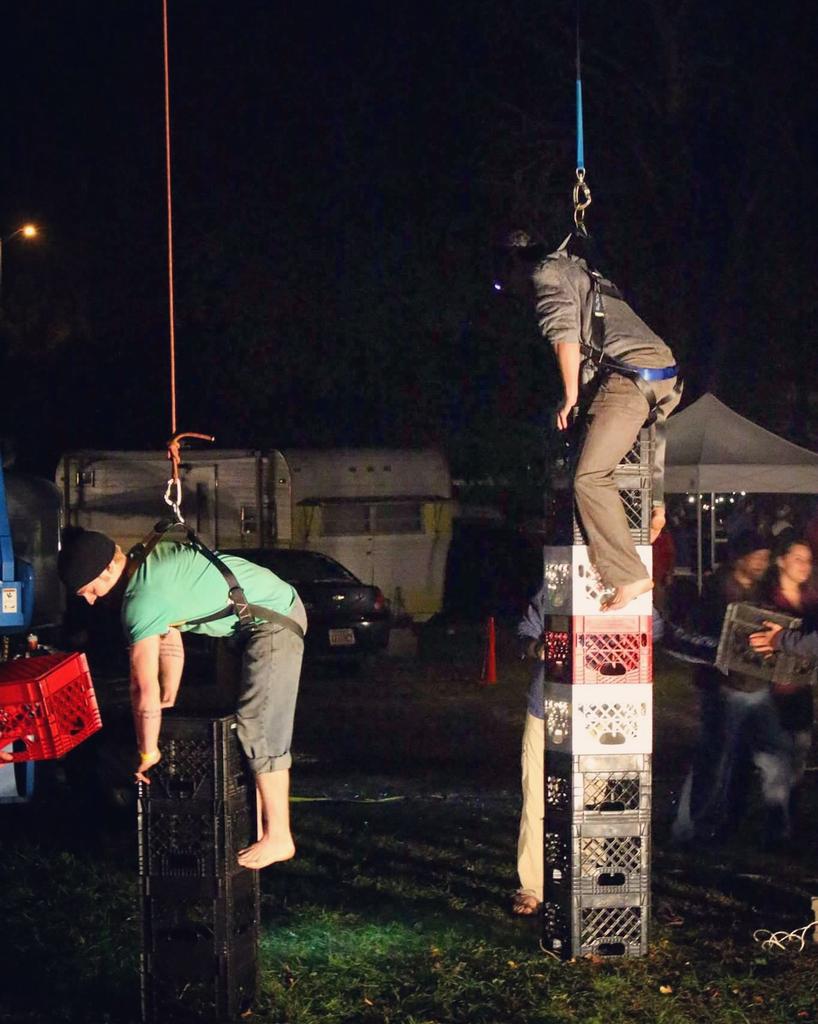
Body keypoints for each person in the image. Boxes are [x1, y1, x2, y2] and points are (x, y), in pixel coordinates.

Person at [57, 527, 307, 871]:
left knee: (258, 726)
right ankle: (263, 829)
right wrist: (170, 687)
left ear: (107, 570)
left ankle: (280, 836)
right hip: (254, 621)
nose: (90, 599)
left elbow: (140, 686)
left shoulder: (140, 599)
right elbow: (170, 629)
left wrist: (148, 751)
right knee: (245, 722)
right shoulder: (144, 562)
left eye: (89, 590)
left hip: (273, 621)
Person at [495, 231, 681, 611]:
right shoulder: (585, 272)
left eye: (507, 281)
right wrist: (657, 499)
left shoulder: (547, 275)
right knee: (633, 446)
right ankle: (657, 509)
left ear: (515, 263)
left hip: (631, 377)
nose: (513, 290)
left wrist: (570, 396)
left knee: (589, 477)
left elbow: (565, 337)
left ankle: (628, 575)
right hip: (665, 379)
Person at [672, 531, 796, 846]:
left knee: (771, 754)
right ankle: (692, 828)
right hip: (724, 688)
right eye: (758, 556)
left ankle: (773, 825)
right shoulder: (715, 593)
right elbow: (693, 637)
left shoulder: (758, 590)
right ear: (740, 557)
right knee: (715, 758)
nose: (763, 563)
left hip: (755, 686)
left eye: (766, 557)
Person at [760, 536, 817, 819]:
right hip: (771, 693)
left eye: (808, 559)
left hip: (802, 692)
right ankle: (775, 825)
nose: (805, 565)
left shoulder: (812, 601)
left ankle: (789, 818)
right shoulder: (767, 600)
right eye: (798, 558)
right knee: (775, 762)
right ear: (781, 561)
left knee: (798, 758)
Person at [511, 582, 549, 914]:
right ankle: (532, 885)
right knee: (536, 793)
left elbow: (654, 628)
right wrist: (537, 647)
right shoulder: (557, 581)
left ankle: (591, 876)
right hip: (546, 707)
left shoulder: (627, 582)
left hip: (602, 710)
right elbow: (526, 630)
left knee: (595, 796)